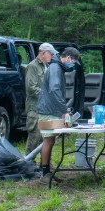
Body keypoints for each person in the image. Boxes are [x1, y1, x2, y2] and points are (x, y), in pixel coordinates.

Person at [36, 46, 78, 174]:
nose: (73, 65)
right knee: (48, 140)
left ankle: (47, 171)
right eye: (74, 62)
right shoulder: (55, 68)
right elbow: (54, 90)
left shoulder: (57, 67)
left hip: (51, 109)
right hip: (48, 110)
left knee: (50, 140)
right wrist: (64, 109)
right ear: (68, 58)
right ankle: (44, 174)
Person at [24, 42, 54, 158]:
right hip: (35, 108)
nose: (51, 56)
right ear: (43, 53)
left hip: (45, 109)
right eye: (50, 54)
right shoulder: (33, 66)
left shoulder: (46, 66)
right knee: (34, 138)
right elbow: (30, 88)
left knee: (45, 138)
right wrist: (46, 96)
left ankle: (45, 163)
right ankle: (28, 163)